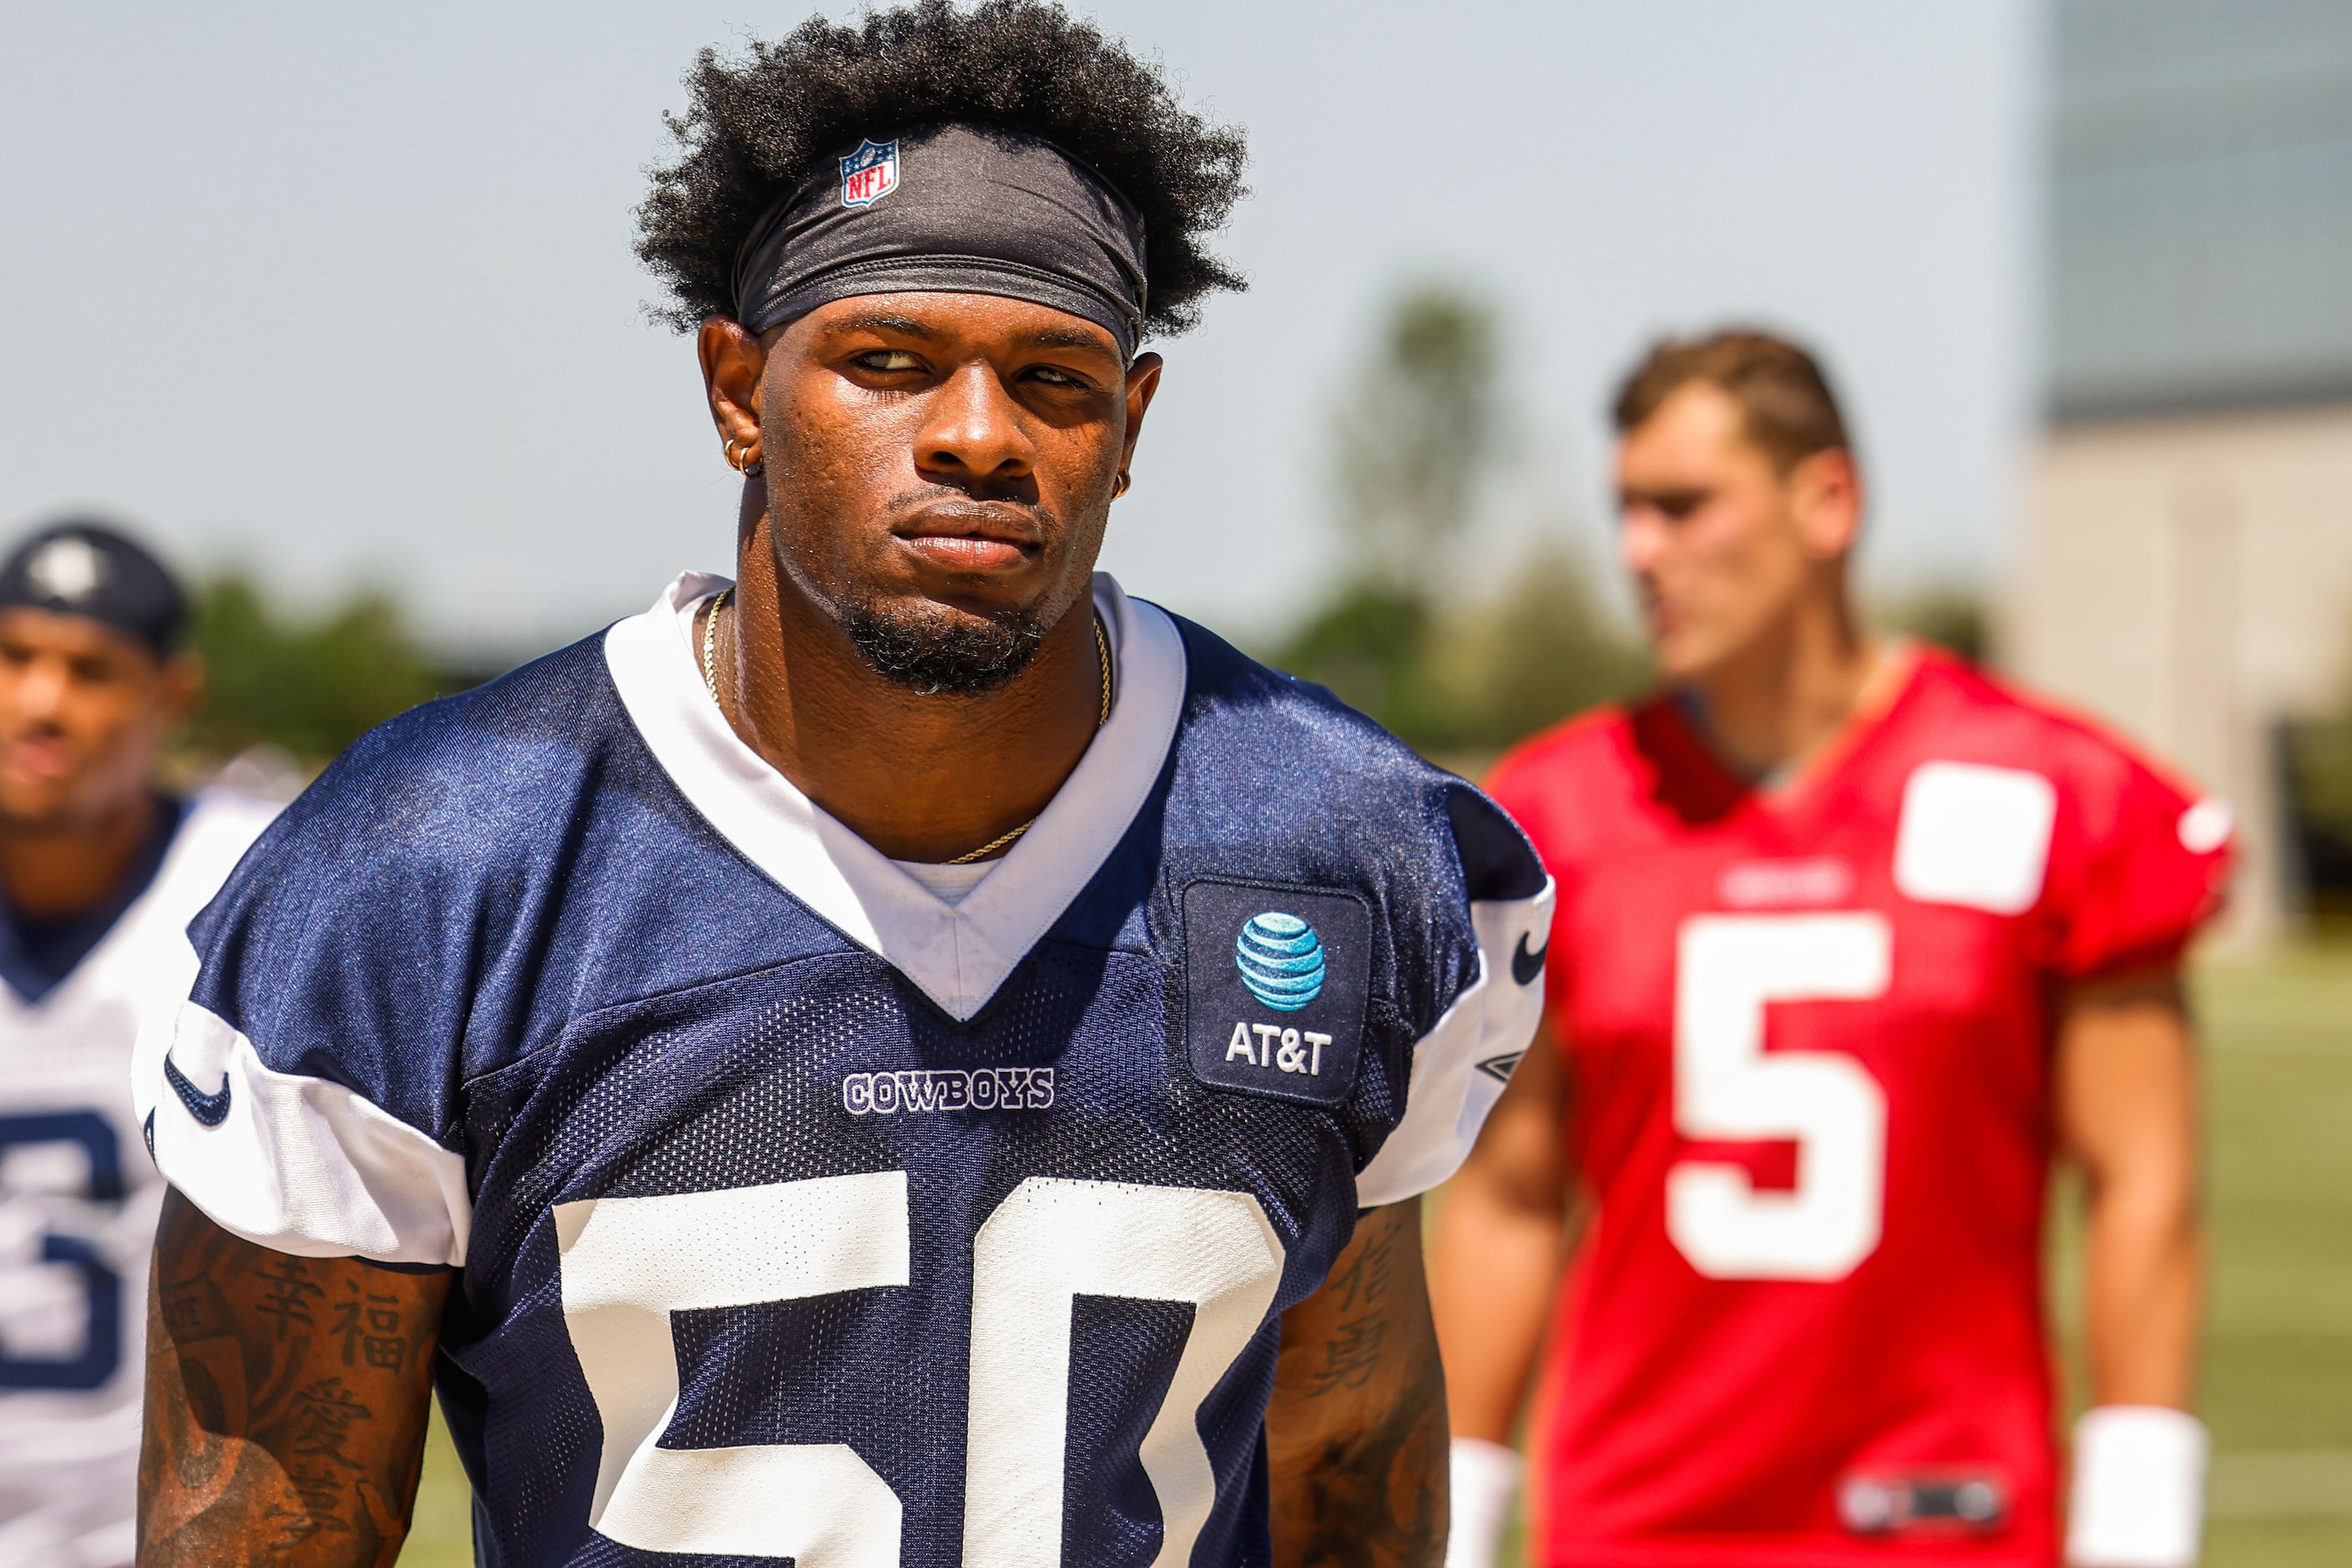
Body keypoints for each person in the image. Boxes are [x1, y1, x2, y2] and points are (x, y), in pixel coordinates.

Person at [133, 4, 1553, 1563]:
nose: (973, 435)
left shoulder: (1339, 844)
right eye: (888, 363)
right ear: (738, 387)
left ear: (1131, 424)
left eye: (1054, 379)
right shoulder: (422, 871)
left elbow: (1344, 1448)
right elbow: (260, 1525)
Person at [1431, 331, 2226, 1568]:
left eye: (1683, 505)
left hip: (1947, 1517)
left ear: (1827, 501)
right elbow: (1507, 1199)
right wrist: (1454, 1512)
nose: (1640, 550)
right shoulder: (1558, 812)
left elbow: (2143, 1182)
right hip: (1638, 1523)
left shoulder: (2057, 792)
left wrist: (2139, 1514)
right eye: (1626, 511)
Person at [0, 522, 276, 1567]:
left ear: (171, 693)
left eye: (89, 670)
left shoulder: (248, 886)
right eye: (14, 656)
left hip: (150, 1531)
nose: (40, 702)